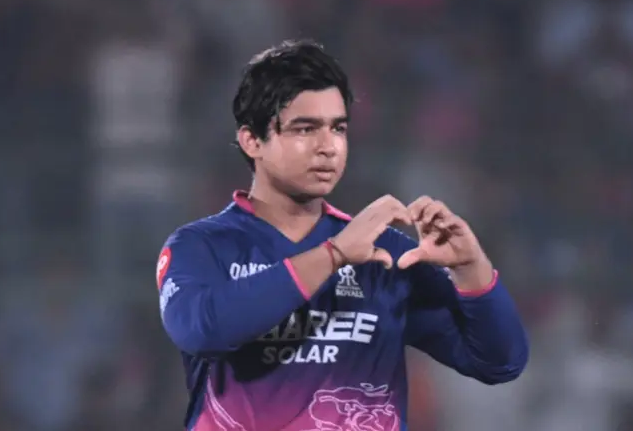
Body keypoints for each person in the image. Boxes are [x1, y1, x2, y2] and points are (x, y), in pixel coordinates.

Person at [155, 39, 529, 431]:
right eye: (305, 129)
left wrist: (472, 270)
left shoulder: (386, 255)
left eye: (338, 128)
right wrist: (332, 256)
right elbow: (201, 330)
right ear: (252, 140)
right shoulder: (200, 247)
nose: (327, 147)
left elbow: (500, 362)